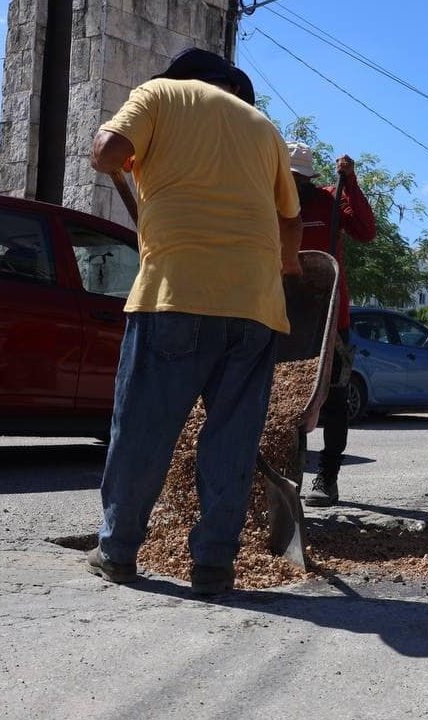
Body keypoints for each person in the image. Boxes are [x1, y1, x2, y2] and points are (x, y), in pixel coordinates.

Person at [86, 47, 302, 595]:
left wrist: (112, 150)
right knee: (231, 439)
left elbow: (108, 154)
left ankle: (117, 552)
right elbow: (291, 227)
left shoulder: (159, 94)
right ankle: (214, 565)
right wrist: (283, 266)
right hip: (255, 308)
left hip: (175, 295)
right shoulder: (266, 128)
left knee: (143, 430)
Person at [287, 142, 377, 507]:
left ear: (309, 180)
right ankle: (287, 473)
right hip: (286, 314)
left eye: (297, 179)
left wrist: (351, 182)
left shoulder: (329, 200)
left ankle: (327, 477)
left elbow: (366, 231)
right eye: (286, 178)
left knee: (335, 401)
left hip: (329, 319)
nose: (291, 185)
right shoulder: (272, 203)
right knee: (287, 401)